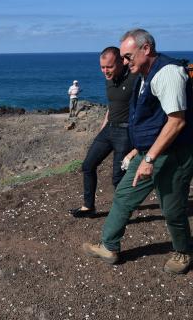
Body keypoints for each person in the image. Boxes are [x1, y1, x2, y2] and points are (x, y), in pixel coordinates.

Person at [82, 28, 193, 274]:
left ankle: (184, 252)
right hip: (149, 151)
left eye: (127, 56)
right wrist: (138, 151)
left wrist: (149, 157)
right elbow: (150, 118)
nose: (124, 62)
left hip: (175, 154)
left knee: (172, 207)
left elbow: (176, 122)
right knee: (124, 196)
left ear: (146, 49)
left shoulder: (168, 73)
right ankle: (109, 246)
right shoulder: (144, 74)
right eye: (122, 57)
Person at [69, 47, 137, 217]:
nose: (105, 71)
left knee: (118, 177)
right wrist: (103, 128)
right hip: (109, 129)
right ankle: (88, 206)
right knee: (87, 166)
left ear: (122, 62)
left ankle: (123, 212)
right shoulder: (109, 79)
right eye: (102, 67)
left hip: (126, 132)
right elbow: (112, 105)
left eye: (109, 67)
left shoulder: (135, 77)